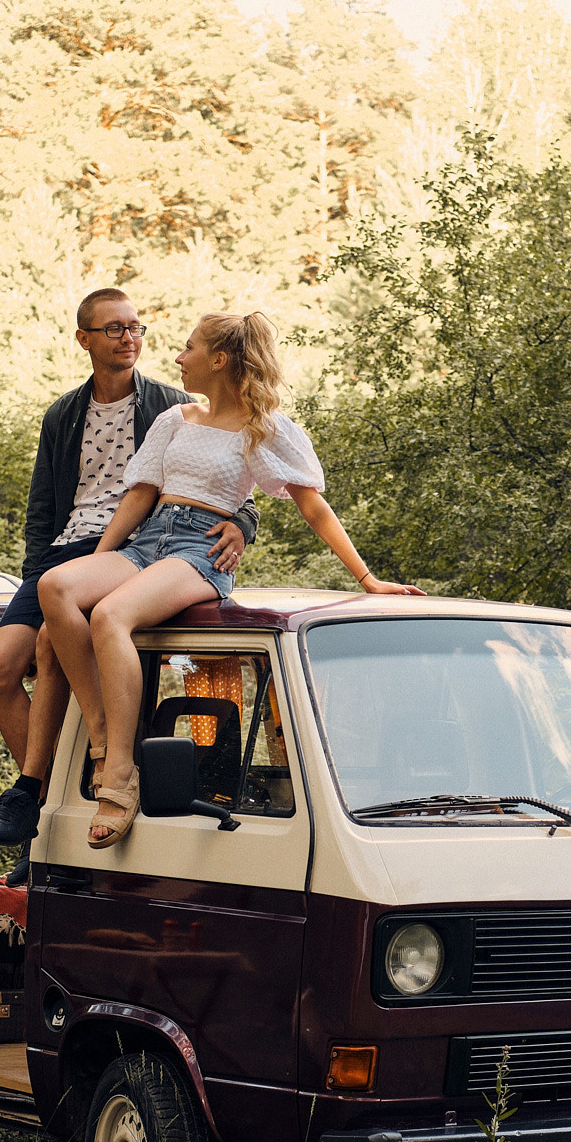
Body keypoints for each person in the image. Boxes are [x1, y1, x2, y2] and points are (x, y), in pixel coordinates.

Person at [39, 311, 421, 844]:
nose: (177, 357)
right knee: (57, 586)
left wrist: (367, 578)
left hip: (201, 551)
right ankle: (102, 735)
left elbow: (314, 509)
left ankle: (119, 777)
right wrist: (97, 564)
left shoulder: (262, 428)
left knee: (111, 615)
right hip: (149, 538)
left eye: (188, 347)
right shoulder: (176, 419)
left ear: (218, 360)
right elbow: (140, 495)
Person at [0, 289, 258, 874]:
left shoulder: (175, 404)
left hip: (142, 541)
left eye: (136, 327)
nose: (129, 338)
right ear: (85, 340)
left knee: (54, 651)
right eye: (114, 329)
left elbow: (227, 476)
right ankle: (50, 791)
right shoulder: (64, 412)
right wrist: (37, 574)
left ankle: (39, 804)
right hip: (70, 549)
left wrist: (243, 525)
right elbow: (42, 505)